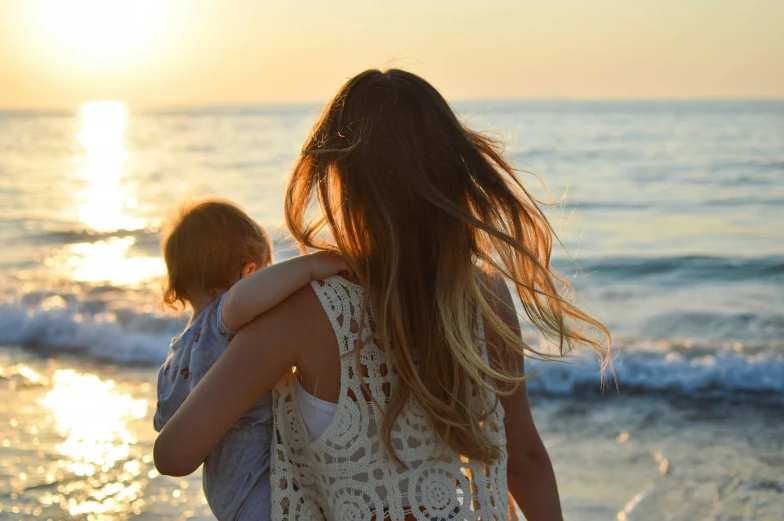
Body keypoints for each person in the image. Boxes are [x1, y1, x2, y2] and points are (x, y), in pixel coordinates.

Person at [154, 69, 610, 521]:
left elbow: (174, 454)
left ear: (338, 181)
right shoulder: (486, 297)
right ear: (451, 170)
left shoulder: (304, 310)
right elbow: (524, 457)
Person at [153, 199, 350, 520]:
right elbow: (241, 299)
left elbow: (166, 422)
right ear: (250, 272)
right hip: (261, 486)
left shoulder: (175, 359)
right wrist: (310, 266)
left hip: (225, 495)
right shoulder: (220, 323)